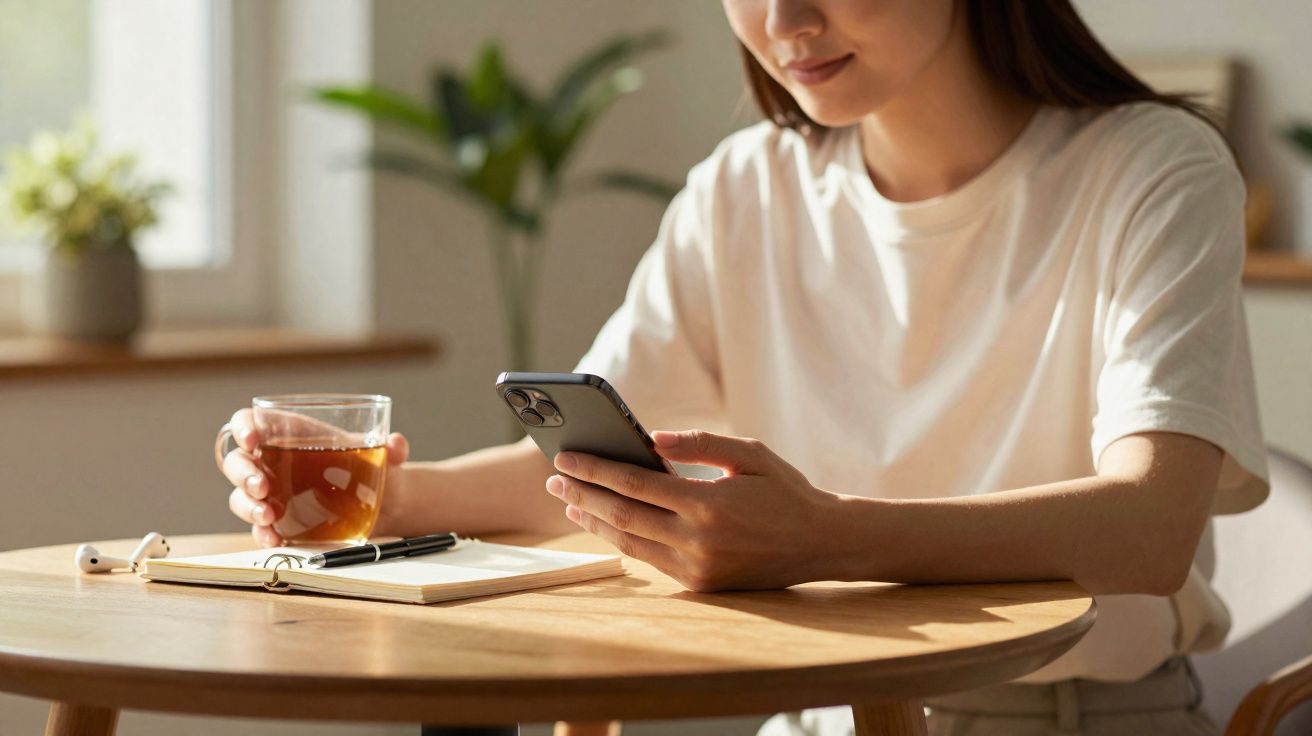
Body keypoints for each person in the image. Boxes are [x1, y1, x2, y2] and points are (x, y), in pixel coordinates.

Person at [215, 1, 1269, 734]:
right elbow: (610, 469)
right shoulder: (746, 187)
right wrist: (390, 496)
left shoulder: (1152, 169)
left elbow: (1150, 525)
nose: (783, 20)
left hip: (1065, 720)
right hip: (813, 715)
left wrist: (823, 535)